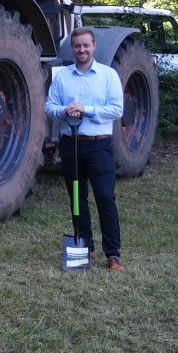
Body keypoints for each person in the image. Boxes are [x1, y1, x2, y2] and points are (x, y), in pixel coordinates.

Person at [45, 27, 125, 271]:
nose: (81, 50)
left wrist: (86, 109)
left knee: (104, 197)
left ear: (94, 47)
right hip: (71, 144)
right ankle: (84, 245)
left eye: (85, 46)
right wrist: (64, 110)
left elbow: (116, 110)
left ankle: (112, 254)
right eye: (77, 46)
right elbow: (50, 107)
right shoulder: (62, 77)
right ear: (73, 47)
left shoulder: (108, 75)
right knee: (77, 198)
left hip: (98, 144)